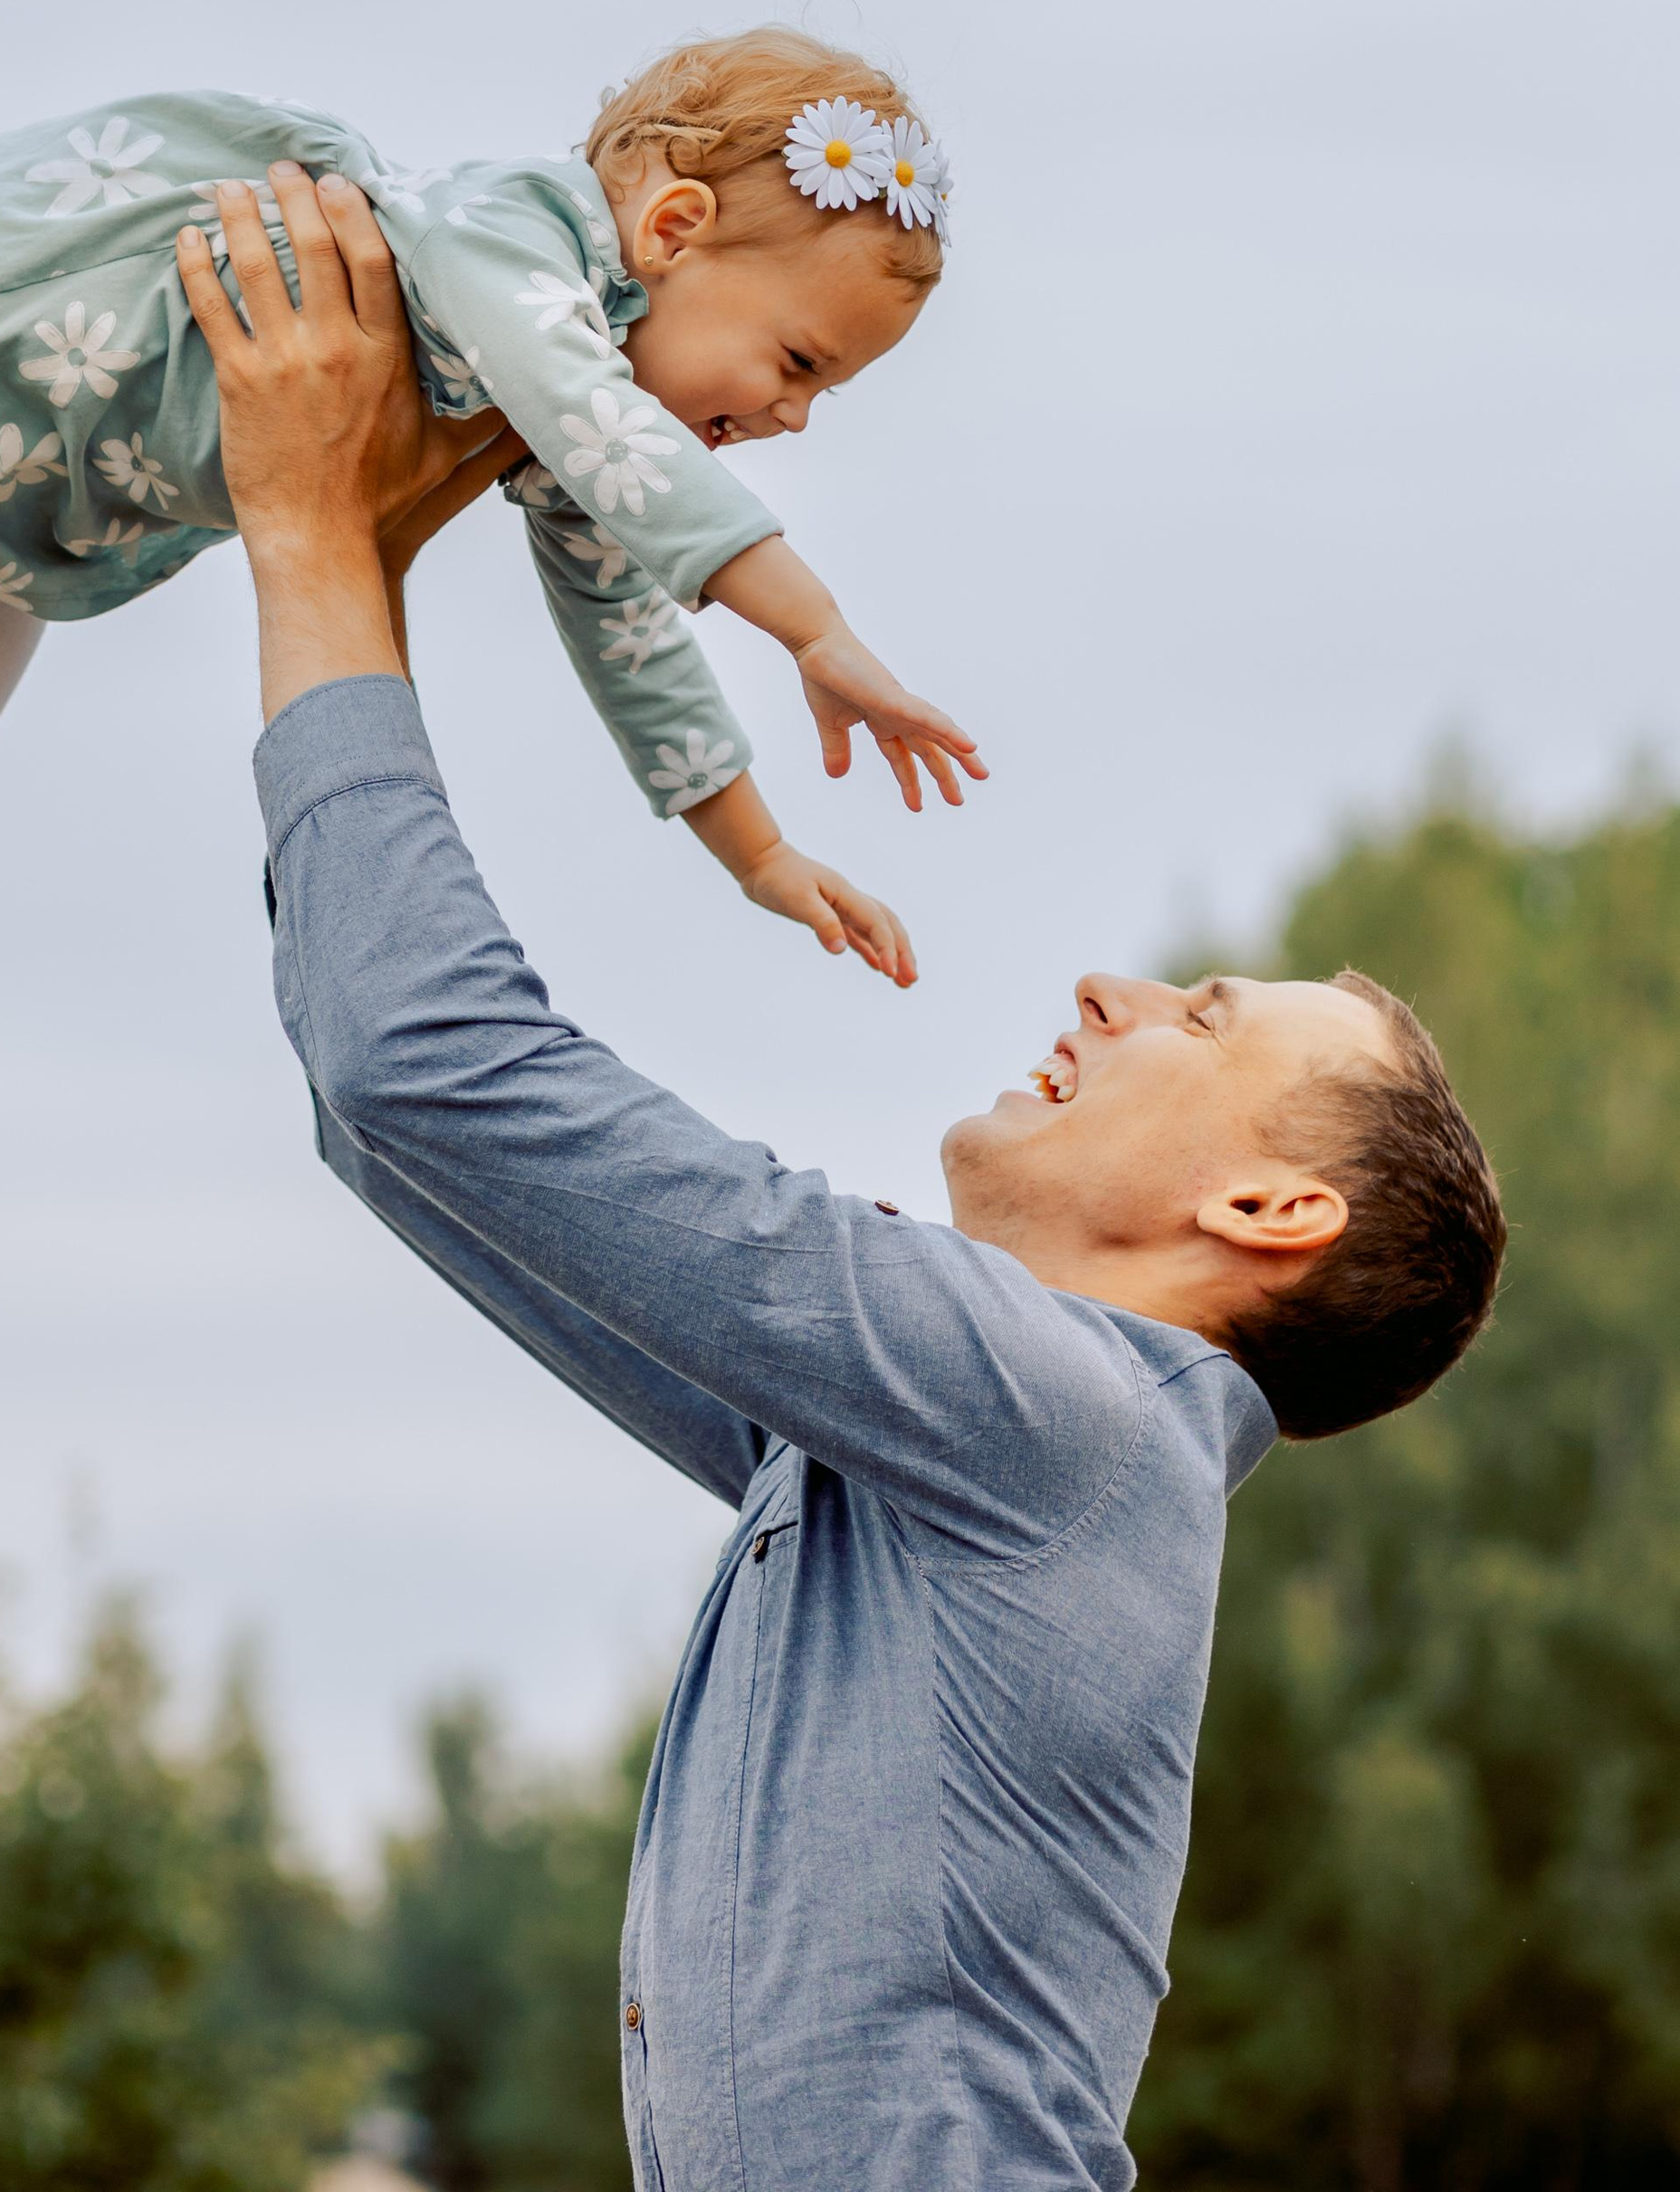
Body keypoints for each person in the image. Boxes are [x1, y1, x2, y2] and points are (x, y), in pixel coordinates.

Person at [177, 163, 1507, 2192]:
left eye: (1205, 1016)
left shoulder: (1049, 1420)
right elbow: (396, 1120)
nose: (1113, 987)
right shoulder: (942, 1454)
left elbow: (427, 1067)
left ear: (1267, 1215)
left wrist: (301, 528)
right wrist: (361, 545)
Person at [0, 26, 982, 970]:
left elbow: (632, 628)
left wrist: (761, 855)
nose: (787, 415)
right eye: (796, 358)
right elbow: (610, 430)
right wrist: (814, 627)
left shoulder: (565, 431)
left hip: (28, 510)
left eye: (821, 393)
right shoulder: (509, 244)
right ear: (669, 228)